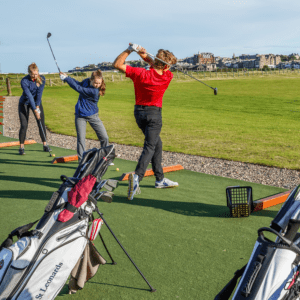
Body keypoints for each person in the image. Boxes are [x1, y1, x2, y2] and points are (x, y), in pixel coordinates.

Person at [113, 44, 179, 201]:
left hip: (139, 114)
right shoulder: (167, 76)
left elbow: (117, 64)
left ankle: (160, 179)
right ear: (164, 66)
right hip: (154, 115)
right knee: (149, 146)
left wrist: (130, 50)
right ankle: (137, 177)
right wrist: (143, 55)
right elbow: (155, 65)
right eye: (169, 65)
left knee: (157, 144)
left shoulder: (140, 73)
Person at [59, 70, 110, 163]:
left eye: (99, 83)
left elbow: (79, 88)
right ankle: (81, 162)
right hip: (80, 115)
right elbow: (78, 83)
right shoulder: (86, 81)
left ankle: (105, 158)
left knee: (104, 137)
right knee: (81, 139)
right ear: (91, 80)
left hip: (93, 115)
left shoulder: (94, 91)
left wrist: (66, 79)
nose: (97, 85)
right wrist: (67, 77)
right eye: (95, 83)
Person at [19, 63, 50, 155]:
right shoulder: (24, 81)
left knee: (40, 122)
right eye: (33, 75)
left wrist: (37, 107)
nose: (35, 76)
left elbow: (39, 94)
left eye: (36, 74)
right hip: (24, 103)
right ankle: (21, 147)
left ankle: (45, 145)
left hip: (36, 103)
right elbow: (29, 96)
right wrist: (35, 110)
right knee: (24, 125)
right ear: (29, 73)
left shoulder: (42, 79)